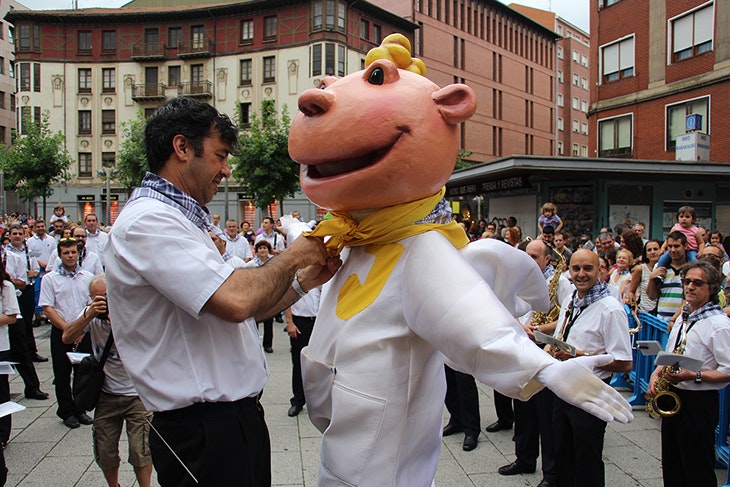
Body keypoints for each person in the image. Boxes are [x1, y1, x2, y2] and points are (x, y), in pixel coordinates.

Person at [104, 97, 338, 487]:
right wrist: (298, 254)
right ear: (182, 148)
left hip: (229, 424)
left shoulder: (178, 219)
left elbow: (246, 306)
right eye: (220, 155)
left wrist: (303, 282)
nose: (226, 171)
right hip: (202, 431)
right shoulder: (149, 221)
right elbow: (235, 300)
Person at [62, 274, 153, 487]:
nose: (106, 302)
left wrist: (123, 323)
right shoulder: (91, 314)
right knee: (105, 451)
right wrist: (89, 314)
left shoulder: (134, 312)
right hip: (106, 393)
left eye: (109, 297)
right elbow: (66, 337)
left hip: (137, 393)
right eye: (99, 298)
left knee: (141, 450)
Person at [551, 250, 633, 486]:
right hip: (562, 386)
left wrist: (579, 356)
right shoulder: (572, 298)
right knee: (562, 454)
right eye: (576, 269)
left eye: (588, 268)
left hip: (591, 390)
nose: (581, 274)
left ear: (600, 271)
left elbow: (625, 362)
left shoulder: (610, 309)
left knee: (587, 459)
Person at [647, 260, 730, 487]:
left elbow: (729, 370)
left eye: (697, 283)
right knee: (673, 466)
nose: (690, 287)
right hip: (675, 396)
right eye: (686, 282)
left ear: (712, 288)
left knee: (697, 469)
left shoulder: (719, 324)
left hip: (698, 403)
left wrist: (694, 376)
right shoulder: (685, 316)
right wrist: (656, 374)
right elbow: (671, 352)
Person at [498, 239, 574, 486]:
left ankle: (551, 473)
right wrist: (519, 326)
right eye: (526, 256)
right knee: (523, 406)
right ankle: (524, 458)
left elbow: (566, 315)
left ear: (547, 259)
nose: (529, 261)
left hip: (544, 345)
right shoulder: (519, 279)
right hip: (523, 343)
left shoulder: (560, 282)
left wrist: (539, 328)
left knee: (546, 414)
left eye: (535, 257)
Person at [39, 237, 95, 428]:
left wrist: (81, 329)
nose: (70, 256)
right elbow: (48, 308)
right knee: (62, 373)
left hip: (84, 332)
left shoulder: (87, 277)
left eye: (73, 252)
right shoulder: (50, 279)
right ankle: (66, 410)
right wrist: (68, 329)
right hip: (61, 330)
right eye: (66, 253)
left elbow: (91, 304)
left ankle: (80, 408)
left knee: (83, 372)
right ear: (60, 255)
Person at [4, 224, 48, 399]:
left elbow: (18, 281)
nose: (16, 236)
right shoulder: (6, 252)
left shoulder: (12, 256)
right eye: (13, 234)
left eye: (19, 233)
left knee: (21, 344)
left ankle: (31, 386)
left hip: (16, 299)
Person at [647, 231, 689, 322]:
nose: (673, 250)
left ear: (685, 246)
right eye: (670, 246)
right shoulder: (660, 268)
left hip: (682, 321)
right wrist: (651, 278)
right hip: (662, 321)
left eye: (677, 246)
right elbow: (652, 296)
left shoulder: (691, 270)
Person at [245, 241, 276, 353]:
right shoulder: (251, 265)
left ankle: (268, 344)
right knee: (255, 322)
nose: (262, 250)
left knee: (269, 322)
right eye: (260, 248)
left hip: (269, 295)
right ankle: (254, 344)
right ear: (256, 251)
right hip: (255, 296)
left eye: (265, 248)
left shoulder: (274, 262)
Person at [627, 239, 661, 314]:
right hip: (645, 312)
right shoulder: (640, 269)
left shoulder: (667, 269)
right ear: (646, 254)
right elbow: (631, 292)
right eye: (649, 250)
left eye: (655, 249)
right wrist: (634, 306)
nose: (652, 252)